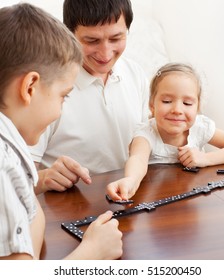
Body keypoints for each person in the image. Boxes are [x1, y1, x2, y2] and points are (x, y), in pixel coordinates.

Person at [0, 3, 122, 260]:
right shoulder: (4, 166)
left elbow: (32, 219)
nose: (60, 109)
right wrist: (92, 253)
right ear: (30, 86)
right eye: (63, 96)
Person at [29, 0, 149, 194]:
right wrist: (44, 178)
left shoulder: (135, 74)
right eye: (92, 41)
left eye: (116, 38)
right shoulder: (47, 86)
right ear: (68, 34)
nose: (105, 53)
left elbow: (147, 142)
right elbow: (15, 179)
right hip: (68, 210)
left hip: (129, 199)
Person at [106, 63, 224, 200]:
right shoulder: (146, 134)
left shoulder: (199, 127)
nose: (177, 110)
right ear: (152, 105)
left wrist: (206, 159)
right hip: (158, 201)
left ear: (197, 107)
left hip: (192, 199)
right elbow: (138, 159)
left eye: (187, 103)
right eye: (167, 101)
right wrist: (130, 180)